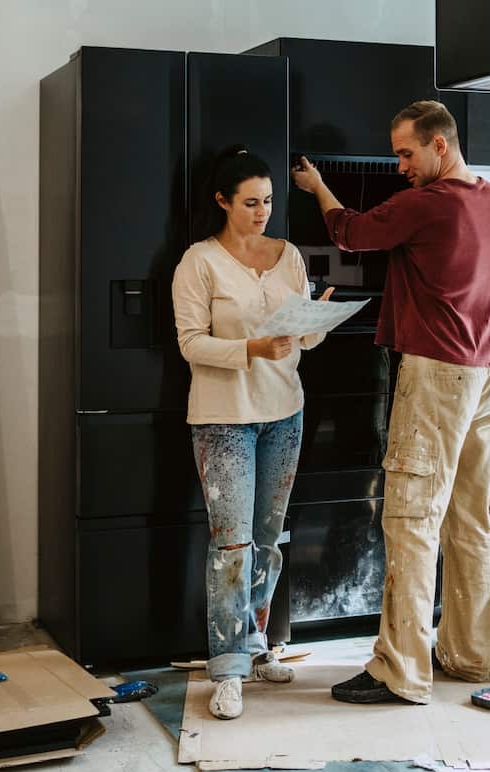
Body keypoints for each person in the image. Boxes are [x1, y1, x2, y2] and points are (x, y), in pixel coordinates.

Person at [291, 100, 490, 705]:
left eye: (406, 153)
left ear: (440, 145)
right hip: (487, 375)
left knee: (411, 520)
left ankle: (402, 671)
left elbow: (352, 233)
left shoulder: (428, 204)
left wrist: (318, 188)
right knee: (471, 521)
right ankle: (468, 656)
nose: (400, 166)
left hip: (437, 378)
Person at [172, 144, 335, 720]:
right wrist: (252, 348)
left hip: (284, 412)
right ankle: (229, 670)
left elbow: (304, 344)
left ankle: (258, 645)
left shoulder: (288, 254)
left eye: (267, 201)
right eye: (250, 202)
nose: (262, 212)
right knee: (231, 548)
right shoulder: (200, 262)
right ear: (222, 201)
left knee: (268, 541)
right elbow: (190, 343)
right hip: (222, 421)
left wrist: (316, 319)